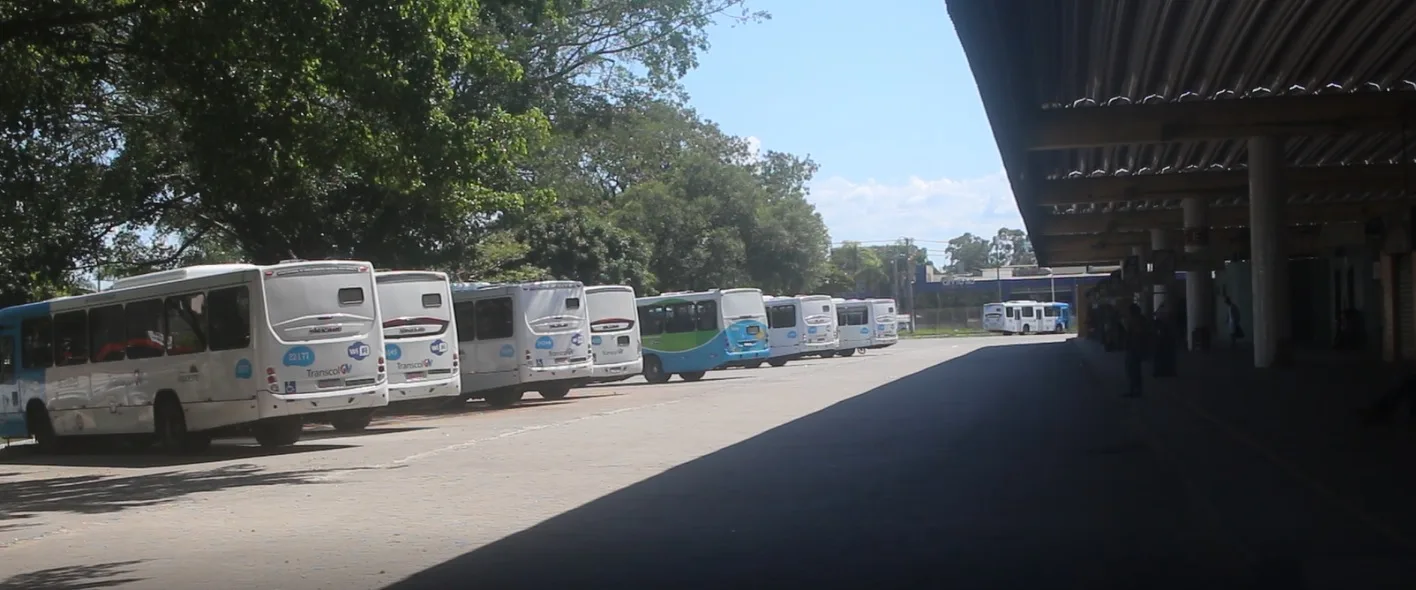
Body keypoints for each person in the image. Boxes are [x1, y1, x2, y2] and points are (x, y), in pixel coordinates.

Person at [1121, 303, 1149, 397]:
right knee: (1134, 369)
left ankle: (1135, 390)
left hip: (1134, 348)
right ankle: (1135, 390)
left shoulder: (1136, 320)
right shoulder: (1139, 319)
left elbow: (1136, 333)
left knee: (1133, 370)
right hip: (1135, 348)